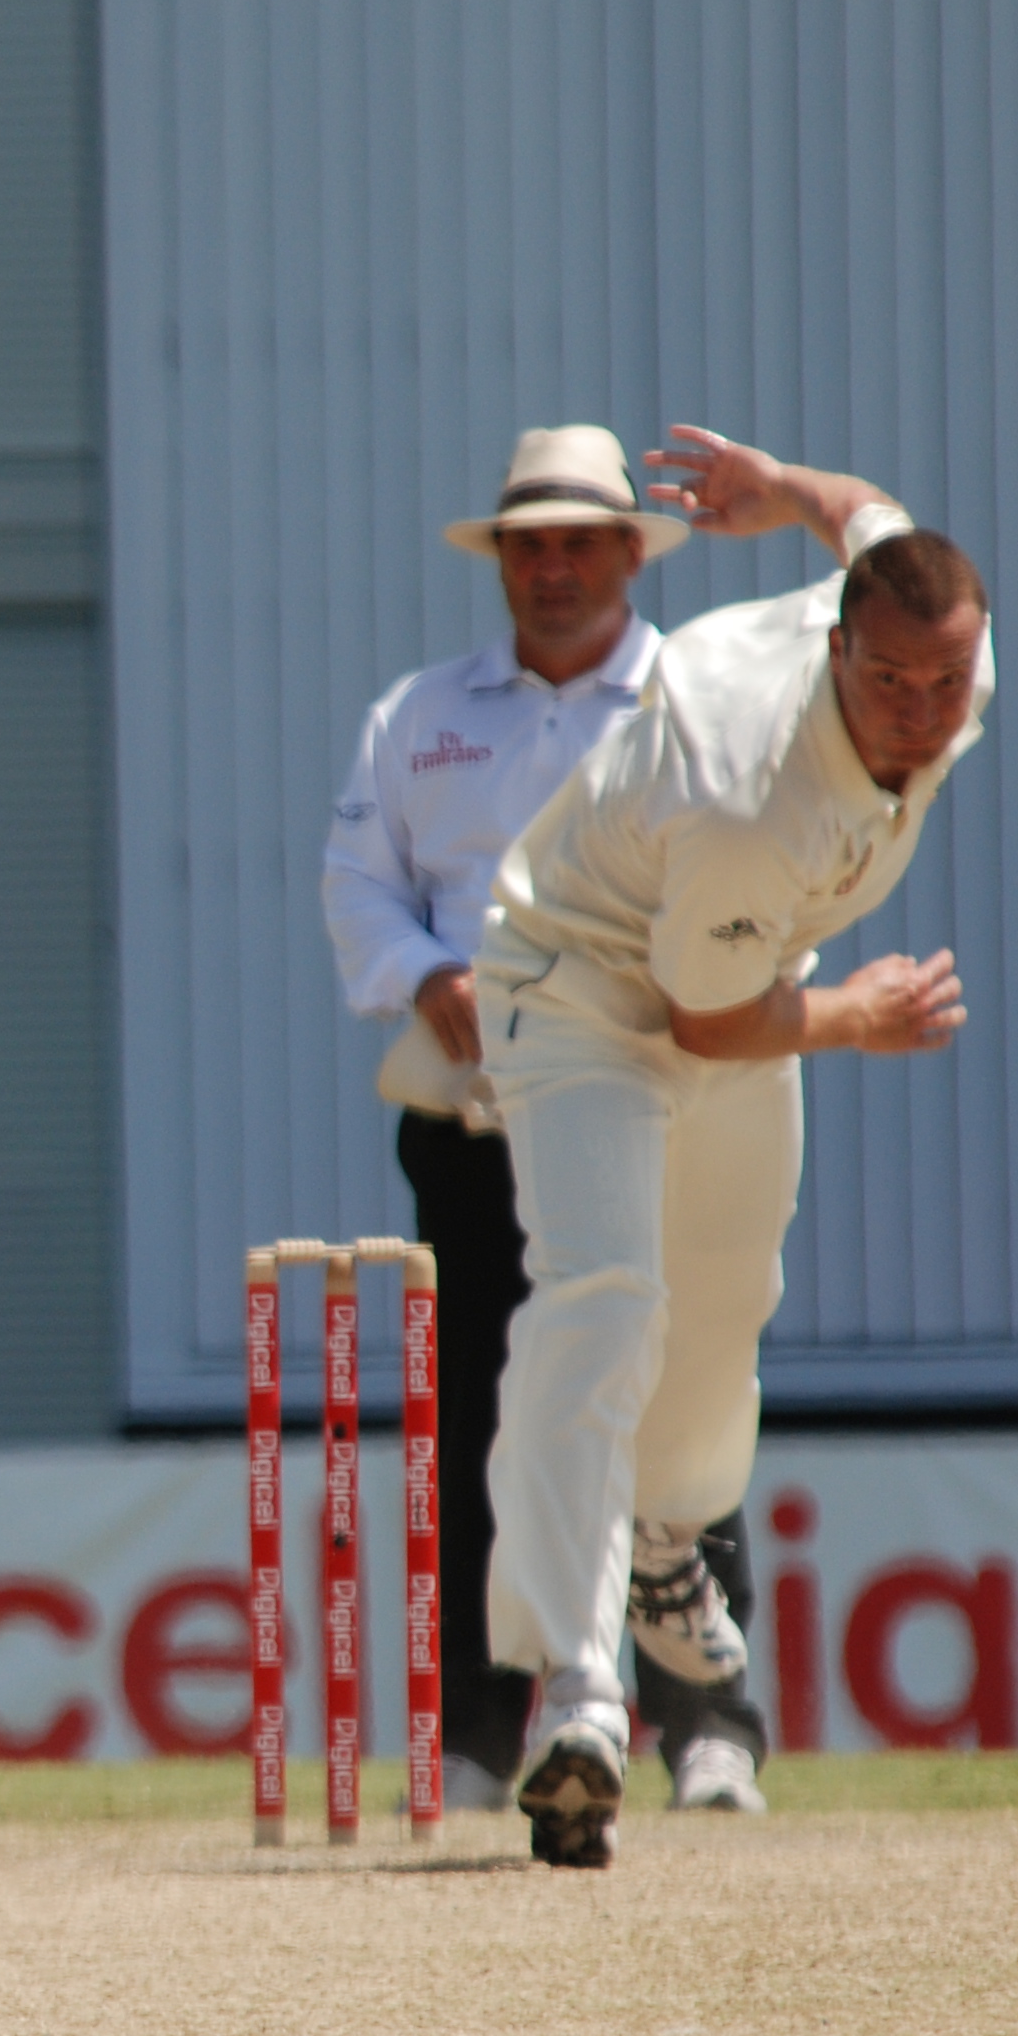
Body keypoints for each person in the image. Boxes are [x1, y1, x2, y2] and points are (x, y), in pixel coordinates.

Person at [477, 426, 990, 1868]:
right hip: (580, 992)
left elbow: (867, 515)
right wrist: (861, 1013)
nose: (920, 713)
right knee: (604, 1307)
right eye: (888, 685)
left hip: (744, 981)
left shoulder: (946, 643)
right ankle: (577, 1705)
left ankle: (664, 1543)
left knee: (723, 1315)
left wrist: (784, 492)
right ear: (838, 655)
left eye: (945, 682)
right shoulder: (747, 782)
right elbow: (708, 1027)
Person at [320, 427, 769, 1819]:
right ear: (500, 560)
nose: (556, 567)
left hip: (655, 1096)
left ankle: (707, 1727)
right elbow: (357, 885)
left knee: (671, 1400)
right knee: (482, 1426)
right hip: (479, 1117)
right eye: (532, 544)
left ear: (635, 553)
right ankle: (479, 1729)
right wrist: (427, 976)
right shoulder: (421, 715)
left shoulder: (696, 704)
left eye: (582, 540)